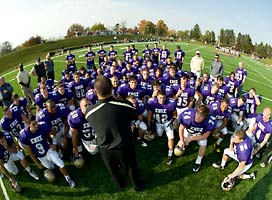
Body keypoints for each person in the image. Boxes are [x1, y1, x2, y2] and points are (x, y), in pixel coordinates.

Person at [85, 75, 144, 191]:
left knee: (113, 170)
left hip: (105, 148)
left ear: (95, 91)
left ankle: (121, 184)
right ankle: (137, 185)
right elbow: (134, 115)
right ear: (112, 88)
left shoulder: (89, 111)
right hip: (124, 145)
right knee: (131, 167)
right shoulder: (125, 105)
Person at [19, 116, 75, 188]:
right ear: (28, 124)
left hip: (48, 150)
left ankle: (68, 178)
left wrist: (54, 143)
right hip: (40, 156)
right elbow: (29, 152)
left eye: (36, 123)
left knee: (61, 163)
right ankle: (57, 157)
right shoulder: (24, 135)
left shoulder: (42, 126)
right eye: (33, 124)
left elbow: (53, 132)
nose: (36, 125)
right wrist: (37, 163)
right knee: (51, 169)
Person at [177, 105, 216, 172]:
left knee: (203, 144)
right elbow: (181, 128)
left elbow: (205, 136)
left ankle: (198, 161)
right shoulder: (188, 116)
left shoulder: (209, 121)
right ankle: (184, 145)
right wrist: (181, 140)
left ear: (205, 117)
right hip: (188, 130)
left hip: (200, 134)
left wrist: (192, 138)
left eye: (201, 116)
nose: (198, 117)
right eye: (197, 114)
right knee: (179, 148)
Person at [147, 90, 177, 165]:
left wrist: (174, 120)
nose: (162, 100)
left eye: (163, 98)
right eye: (160, 98)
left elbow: (174, 112)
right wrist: (149, 125)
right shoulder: (153, 103)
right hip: (158, 123)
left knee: (171, 137)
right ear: (157, 97)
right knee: (159, 135)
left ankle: (170, 154)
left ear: (166, 97)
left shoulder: (170, 103)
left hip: (167, 122)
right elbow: (150, 115)